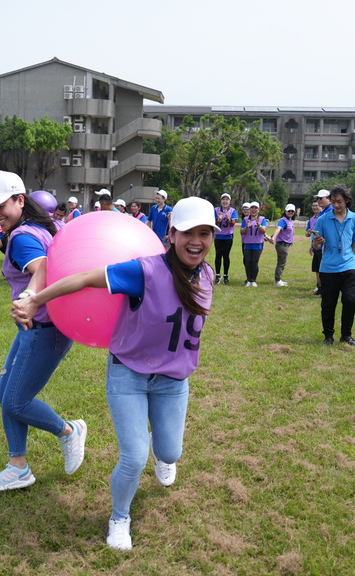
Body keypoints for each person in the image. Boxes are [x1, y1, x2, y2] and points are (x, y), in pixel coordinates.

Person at [13, 196, 217, 551]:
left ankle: (160, 446)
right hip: (129, 375)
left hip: (173, 381)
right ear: (171, 235)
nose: (196, 241)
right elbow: (83, 278)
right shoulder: (144, 271)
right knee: (134, 457)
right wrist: (36, 299)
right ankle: (120, 518)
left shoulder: (208, 275)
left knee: (170, 453)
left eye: (204, 233)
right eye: (188, 233)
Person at [0, 171, 87, 493]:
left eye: (1, 206)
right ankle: (18, 467)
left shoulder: (23, 236)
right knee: (5, 395)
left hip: (44, 330)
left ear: (20, 200)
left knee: (16, 401)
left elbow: (44, 268)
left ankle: (69, 431)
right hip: (40, 327)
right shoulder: (46, 227)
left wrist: (29, 298)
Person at [311, 185, 355, 346]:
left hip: (349, 266)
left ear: (347, 201)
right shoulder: (323, 220)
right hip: (328, 268)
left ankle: (346, 335)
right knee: (328, 304)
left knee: (350, 300)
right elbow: (316, 246)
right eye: (333, 201)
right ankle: (328, 336)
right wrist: (317, 243)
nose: (336, 205)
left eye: (339, 201)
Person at [310, 190, 333, 295]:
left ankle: (325, 289)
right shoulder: (322, 212)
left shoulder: (331, 211)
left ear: (328, 199)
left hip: (326, 247)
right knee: (318, 268)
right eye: (317, 199)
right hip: (319, 245)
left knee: (325, 269)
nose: (318, 201)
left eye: (321, 198)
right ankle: (320, 288)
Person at [240, 201, 267, 287]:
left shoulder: (262, 219)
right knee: (248, 262)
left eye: (256, 208)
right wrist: (246, 227)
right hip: (247, 243)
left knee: (254, 262)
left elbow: (263, 231)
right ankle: (248, 279)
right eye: (252, 208)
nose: (253, 210)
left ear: (258, 210)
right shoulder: (245, 219)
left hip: (257, 243)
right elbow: (241, 232)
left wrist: (259, 225)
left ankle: (253, 280)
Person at [213, 193, 237, 285]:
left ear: (229, 202)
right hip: (218, 236)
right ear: (221, 201)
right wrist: (218, 219)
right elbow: (213, 222)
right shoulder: (216, 210)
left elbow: (233, 223)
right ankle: (218, 274)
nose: (225, 201)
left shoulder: (232, 211)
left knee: (226, 255)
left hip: (228, 236)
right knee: (218, 255)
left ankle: (226, 275)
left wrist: (228, 219)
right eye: (223, 199)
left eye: (227, 200)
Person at [272, 204, 297, 286]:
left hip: (286, 245)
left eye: (292, 211)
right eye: (289, 211)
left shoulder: (289, 220)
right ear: (285, 211)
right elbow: (278, 229)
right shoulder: (283, 220)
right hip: (282, 244)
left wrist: (271, 236)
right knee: (281, 263)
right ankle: (277, 280)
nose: (290, 212)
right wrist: (274, 237)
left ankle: (278, 279)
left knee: (282, 262)